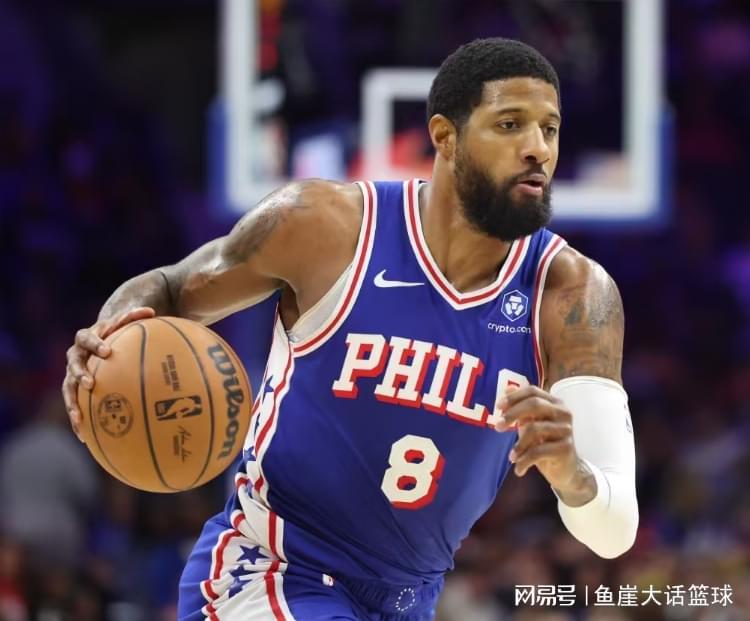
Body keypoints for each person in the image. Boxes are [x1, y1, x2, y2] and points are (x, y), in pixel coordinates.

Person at [62, 38, 638, 621]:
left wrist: (571, 474)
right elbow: (168, 287)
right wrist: (106, 341)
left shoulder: (574, 295)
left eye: (549, 129)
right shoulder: (325, 226)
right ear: (445, 137)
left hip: (408, 599)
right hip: (272, 570)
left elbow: (615, 529)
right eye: (510, 124)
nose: (538, 148)